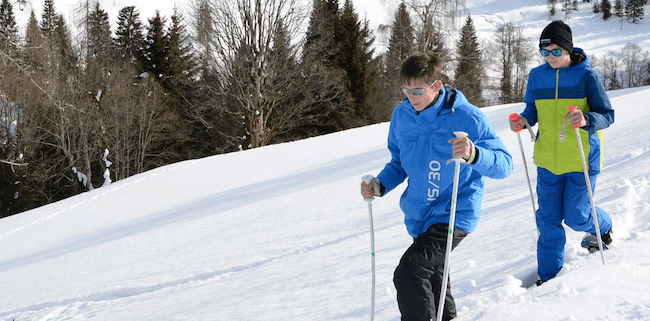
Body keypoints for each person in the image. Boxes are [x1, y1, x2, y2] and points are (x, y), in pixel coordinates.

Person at [361, 52, 512, 321]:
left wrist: (473, 154)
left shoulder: (467, 117)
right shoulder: (402, 116)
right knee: (433, 279)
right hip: (420, 215)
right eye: (406, 91)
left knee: (410, 271)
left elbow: (504, 165)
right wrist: (379, 185)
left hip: (454, 213)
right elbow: (399, 162)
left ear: (437, 86)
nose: (412, 97)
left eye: (418, 90)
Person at [509, 20, 615, 286]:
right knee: (547, 221)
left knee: (578, 216)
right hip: (547, 160)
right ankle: (549, 278)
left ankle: (602, 226)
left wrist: (587, 120)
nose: (550, 57)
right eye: (545, 52)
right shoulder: (537, 76)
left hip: (581, 160)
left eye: (556, 51)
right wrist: (523, 120)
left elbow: (607, 115)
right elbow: (532, 109)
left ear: (568, 50)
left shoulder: (586, 77)